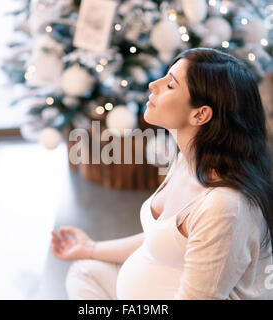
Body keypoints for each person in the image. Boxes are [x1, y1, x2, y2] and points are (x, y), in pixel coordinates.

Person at [51, 47, 273, 300]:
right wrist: (90, 248)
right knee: (85, 272)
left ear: (200, 114)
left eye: (170, 85)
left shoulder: (224, 207)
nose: (153, 85)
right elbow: (159, 240)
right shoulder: (187, 161)